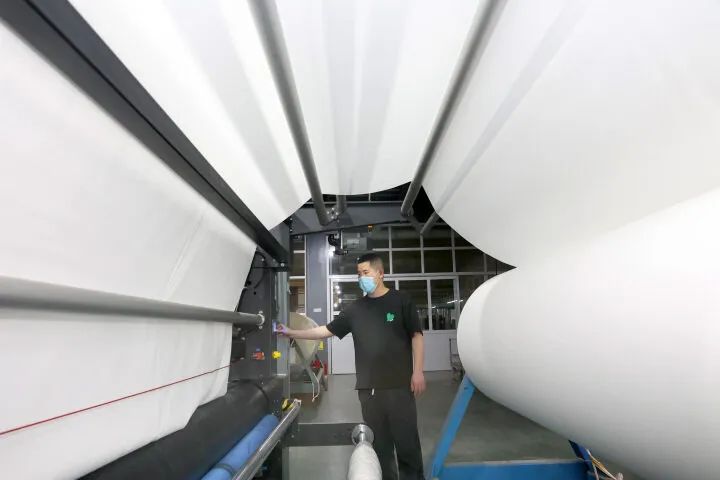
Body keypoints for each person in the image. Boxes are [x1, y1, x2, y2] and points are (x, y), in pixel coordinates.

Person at [278, 252, 425, 480]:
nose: (361, 278)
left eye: (365, 272)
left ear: (380, 273)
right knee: (380, 448)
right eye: (359, 274)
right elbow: (325, 330)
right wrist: (292, 332)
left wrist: (418, 372)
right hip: (369, 391)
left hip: (399, 387)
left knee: (407, 445)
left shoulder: (401, 301)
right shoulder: (355, 310)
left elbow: (416, 335)